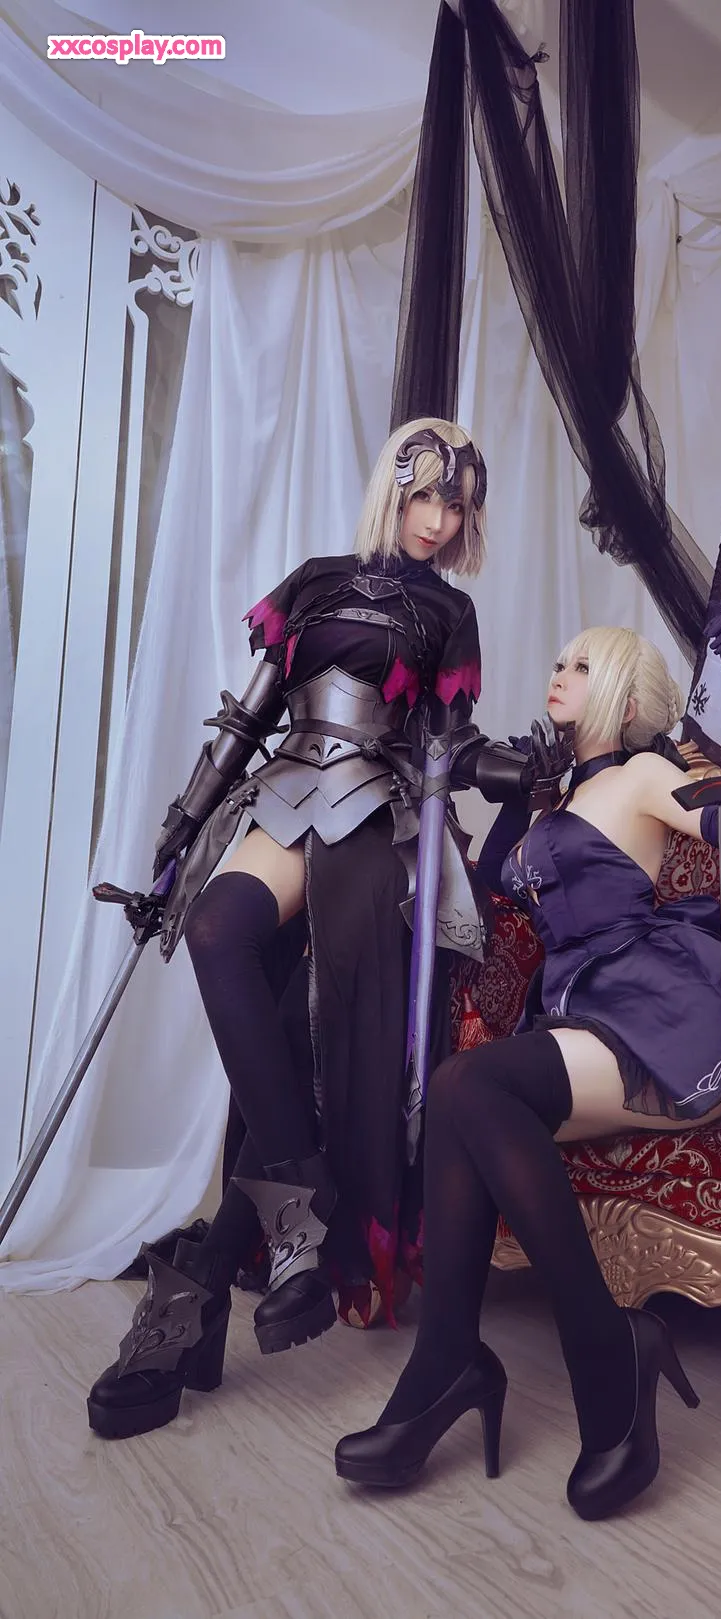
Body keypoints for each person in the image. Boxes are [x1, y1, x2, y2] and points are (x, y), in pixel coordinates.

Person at [87, 419, 541, 1441]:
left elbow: (448, 746)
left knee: (296, 1039)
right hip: (285, 792)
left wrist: (520, 766)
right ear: (394, 490)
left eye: (456, 503)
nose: (438, 519)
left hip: (378, 821)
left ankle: (190, 1313)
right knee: (217, 932)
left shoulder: (449, 612)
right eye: (424, 495)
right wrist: (178, 835)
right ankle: (299, 1188)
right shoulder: (315, 582)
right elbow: (246, 721)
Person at [334, 611, 721, 1520]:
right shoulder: (552, 801)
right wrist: (521, 786)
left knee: (469, 1084)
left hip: (658, 1012)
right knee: (463, 1097)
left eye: (580, 666)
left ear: (619, 693)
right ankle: (452, 1360)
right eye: (558, 661)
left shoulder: (643, 776)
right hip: (578, 1013)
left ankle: (590, 1351)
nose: (558, 673)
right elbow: (486, 894)